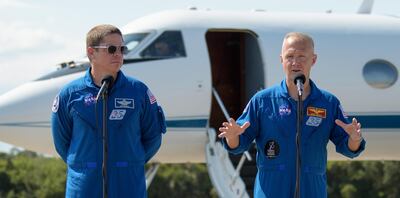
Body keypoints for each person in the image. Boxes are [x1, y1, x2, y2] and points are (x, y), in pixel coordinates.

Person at [218, 32, 366, 198]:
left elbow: (348, 148)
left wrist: (354, 139)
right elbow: (239, 144)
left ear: (313, 60)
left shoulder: (328, 103)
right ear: (281, 59)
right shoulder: (263, 101)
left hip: (312, 190)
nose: (295, 62)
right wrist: (232, 137)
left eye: (302, 56)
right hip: (272, 190)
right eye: (289, 56)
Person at [51, 24, 166, 197]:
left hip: (128, 186)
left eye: (122, 48)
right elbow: (62, 143)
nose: (118, 54)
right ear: (91, 53)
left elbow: (153, 138)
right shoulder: (70, 95)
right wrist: (86, 164)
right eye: (111, 49)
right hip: (84, 187)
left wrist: (129, 162)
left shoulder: (139, 92)